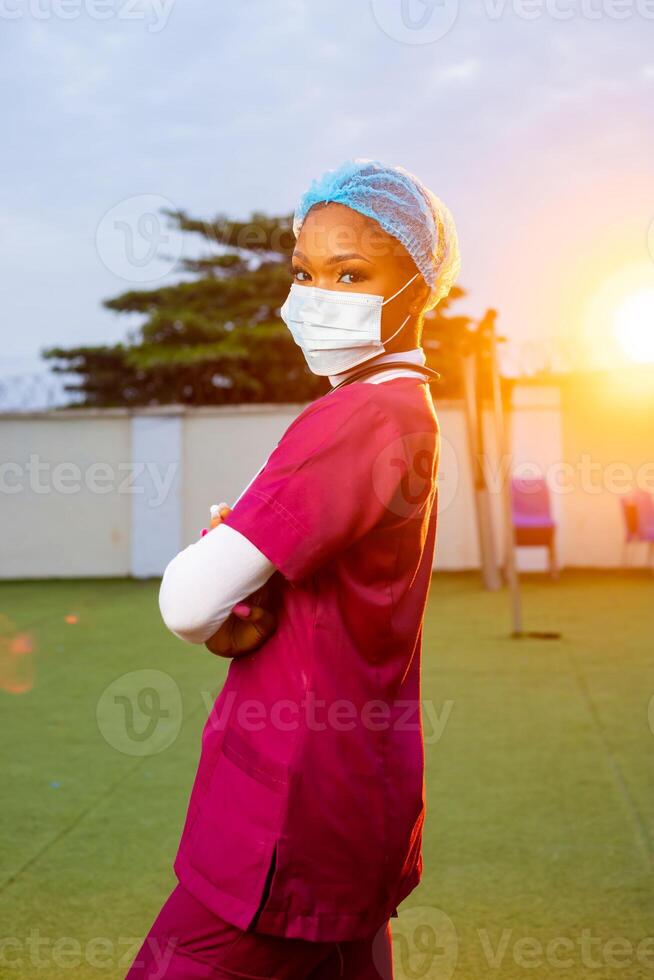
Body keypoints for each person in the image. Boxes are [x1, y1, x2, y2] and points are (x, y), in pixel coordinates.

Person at [126, 158, 460, 980]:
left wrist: (220, 575)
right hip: (357, 802)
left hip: (286, 817)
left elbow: (186, 600)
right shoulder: (407, 411)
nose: (316, 296)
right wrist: (243, 590)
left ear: (417, 289)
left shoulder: (361, 415)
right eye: (305, 272)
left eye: (352, 273)